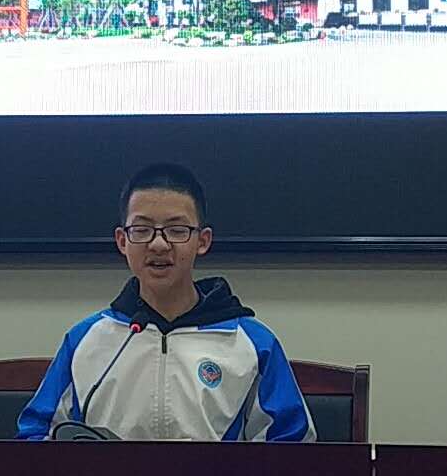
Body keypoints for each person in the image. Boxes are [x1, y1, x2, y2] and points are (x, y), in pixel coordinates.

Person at [18, 163, 315, 442]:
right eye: (142, 230)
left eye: (177, 230)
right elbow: (36, 438)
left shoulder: (251, 343)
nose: (159, 244)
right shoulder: (86, 340)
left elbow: (293, 447)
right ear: (122, 241)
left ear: (202, 241)